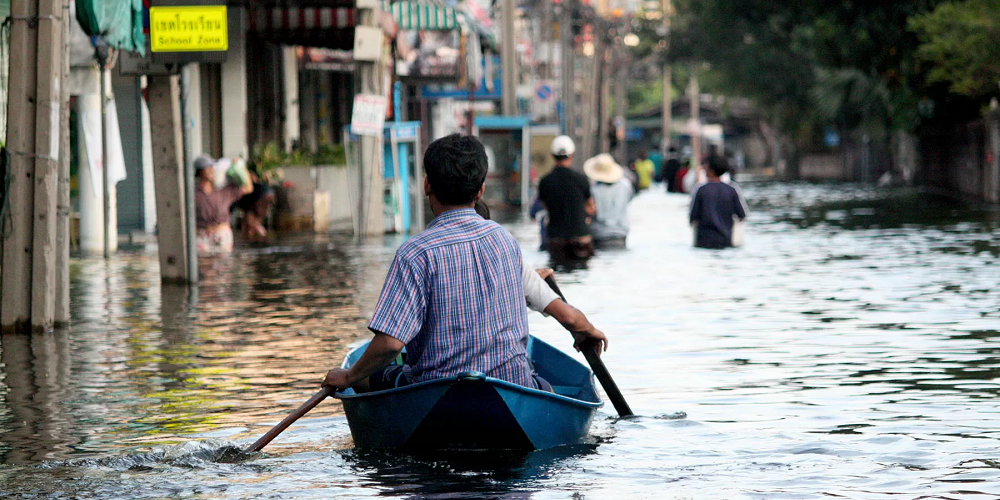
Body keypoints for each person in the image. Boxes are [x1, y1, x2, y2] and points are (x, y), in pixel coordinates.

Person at [322, 134, 540, 393]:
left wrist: (348, 377)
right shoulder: (505, 239)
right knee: (539, 382)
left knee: (366, 378)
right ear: (481, 189)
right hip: (512, 383)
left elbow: (391, 345)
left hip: (436, 393)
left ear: (427, 185)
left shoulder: (415, 254)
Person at [475, 200, 609, 353]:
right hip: (505, 368)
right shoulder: (510, 258)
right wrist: (588, 330)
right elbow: (570, 318)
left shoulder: (442, 251)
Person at [537, 136, 596, 260]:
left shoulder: (545, 182)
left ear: (552, 155)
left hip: (556, 240)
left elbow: (545, 206)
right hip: (581, 239)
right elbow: (590, 207)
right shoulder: (582, 179)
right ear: (572, 155)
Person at [194, 155, 252, 253]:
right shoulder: (194, 192)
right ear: (199, 172)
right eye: (207, 168)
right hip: (202, 235)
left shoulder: (224, 190)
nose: (211, 170)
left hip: (222, 233)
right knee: (203, 264)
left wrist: (242, 167)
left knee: (223, 266)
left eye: (211, 167)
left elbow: (248, 188)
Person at [689, 155, 748, 249]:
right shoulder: (732, 190)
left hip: (703, 241)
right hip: (725, 241)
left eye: (706, 166)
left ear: (711, 169)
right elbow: (742, 215)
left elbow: (693, 217)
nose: (704, 168)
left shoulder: (701, 190)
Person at [583, 154, 633, 248]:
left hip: (599, 236)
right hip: (621, 235)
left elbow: (589, 210)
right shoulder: (626, 186)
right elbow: (629, 199)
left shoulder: (592, 189)